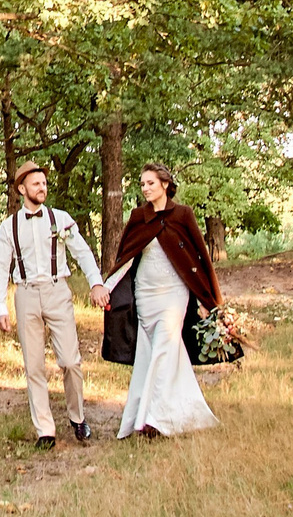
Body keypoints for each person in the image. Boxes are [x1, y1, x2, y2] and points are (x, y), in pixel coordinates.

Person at [91, 163, 220, 440]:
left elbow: (198, 256)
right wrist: (105, 286)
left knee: (164, 348)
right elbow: (126, 257)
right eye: (142, 184)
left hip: (174, 295)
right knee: (149, 355)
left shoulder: (183, 214)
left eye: (150, 183)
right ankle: (176, 413)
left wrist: (207, 297)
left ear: (165, 184)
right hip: (145, 295)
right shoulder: (139, 216)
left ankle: (154, 421)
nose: (145, 188)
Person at [0, 164, 105, 448]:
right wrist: (0, 307)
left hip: (57, 291)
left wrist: (96, 282)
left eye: (44, 183)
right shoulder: (9, 227)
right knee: (34, 366)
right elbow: (0, 268)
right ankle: (45, 430)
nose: (42, 188)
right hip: (26, 294)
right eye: (36, 184)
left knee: (70, 361)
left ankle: (78, 417)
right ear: (22, 189)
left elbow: (82, 252)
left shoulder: (60, 219)